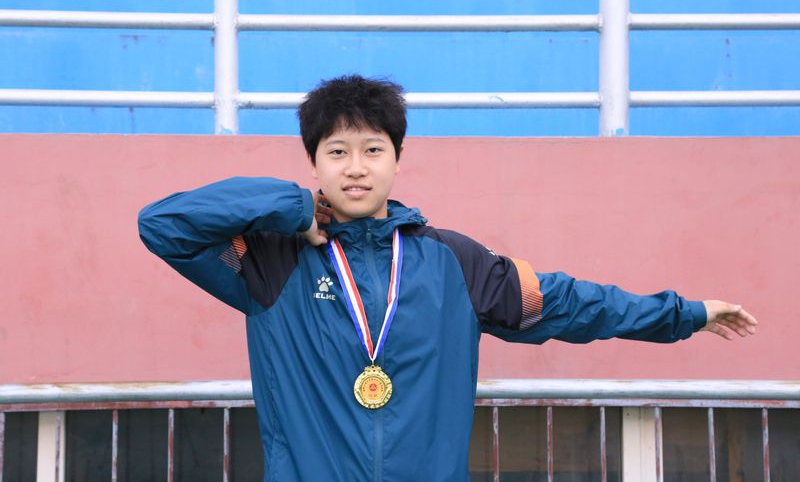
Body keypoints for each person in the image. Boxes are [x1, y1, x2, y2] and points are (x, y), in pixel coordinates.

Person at [138, 74, 757, 481]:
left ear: (398, 159)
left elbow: (573, 304)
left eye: (373, 150)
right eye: (337, 152)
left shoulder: (453, 263)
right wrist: (292, 207)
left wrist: (684, 314)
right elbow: (163, 225)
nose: (356, 168)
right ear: (313, 162)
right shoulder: (271, 262)